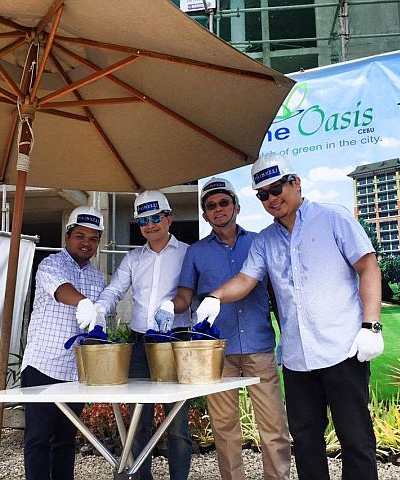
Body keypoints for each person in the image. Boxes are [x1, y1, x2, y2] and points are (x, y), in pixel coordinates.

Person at [195, 153, 384, 480]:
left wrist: (371, 326)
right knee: (307, 442)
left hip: (343, 350)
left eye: (276, 188)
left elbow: (368, 267)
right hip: (297, 360)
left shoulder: (332, 218)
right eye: (263, 195)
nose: (271, 198)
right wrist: (215, 296)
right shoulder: (265, 240)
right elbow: (245, 280)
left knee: (355, 441)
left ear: (295, 183)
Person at [160, 176, 291, 480]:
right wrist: (170, 305)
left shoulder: (260, 241)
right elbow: (184, 296)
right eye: (211, 206)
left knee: (273, 428)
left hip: (259, 346)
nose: (218, 209)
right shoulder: (196, 252)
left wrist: (287, 337)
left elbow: (278, 295)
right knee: (225, 428)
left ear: (237, 207)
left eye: (223, 203)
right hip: (216, 353)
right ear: (205, 215)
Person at [89, 190, 193, 480]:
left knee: (177, 423)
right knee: (138, 421)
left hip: (175, 343)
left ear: (169, 218)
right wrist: (99, 307)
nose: (150, 225)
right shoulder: (133, 258)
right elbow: (115, 289)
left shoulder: (187, 253)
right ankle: (139, 476)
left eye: (156, 217)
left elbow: (193, 293)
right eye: (143, 220)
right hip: (138, 345)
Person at [20, 206, 107, 480]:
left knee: (66, 439)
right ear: (67, 236)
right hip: (42, 367)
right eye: (80, 235)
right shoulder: (50, 264)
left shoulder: (98, 277)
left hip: (75, 372)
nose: (86, 243)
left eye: (93, 238)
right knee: (38, 439)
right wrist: (82, 302)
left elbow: (98, 321)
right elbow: (61, 290)